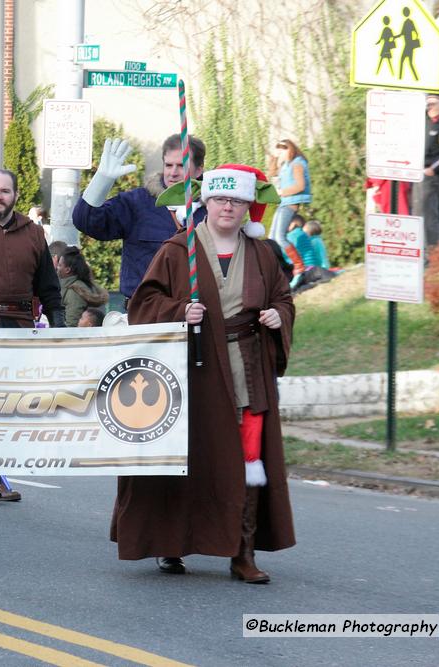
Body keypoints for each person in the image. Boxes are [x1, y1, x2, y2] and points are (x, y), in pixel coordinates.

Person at [118, 163, 296, 583]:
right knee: (188, 459)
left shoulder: (263, 254)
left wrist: (277, 315)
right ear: (206, 202)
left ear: (248, 205)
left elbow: (284, 299)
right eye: (220, 199)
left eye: (236, 201)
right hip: (192, 372)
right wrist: (179, 311)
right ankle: (171, 543)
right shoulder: (179, 250)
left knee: (249, 459)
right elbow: (142, 305)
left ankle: (243, 553)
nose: (228, 208)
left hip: (247, 371)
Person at [0, 168, 65, 503]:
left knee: (13, 406)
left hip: (19, 326)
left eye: (5, 191)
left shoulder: (33, 234)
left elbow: (49, 286)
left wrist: (60, 328)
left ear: (16, 195)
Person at [73, 133, 207, 312]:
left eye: (181, 166)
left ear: (199, 170)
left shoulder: (213, 208)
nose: (173, 173)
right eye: (168, 165)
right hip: (145, 315)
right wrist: (101, 181)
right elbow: (85, 220)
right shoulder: (137, 203)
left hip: (198, 315)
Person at [266, 139, 311, 249]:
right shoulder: (286, 165)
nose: (281, 153)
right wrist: (275, 157)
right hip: (284, 203)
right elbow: (272, 173)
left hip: (291, 204)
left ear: (290, 149)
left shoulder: (297, 164)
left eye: (283, 150)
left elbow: (301, 186)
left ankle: (298, 265)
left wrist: (281, 192)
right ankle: (277, 264)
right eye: (279, 151)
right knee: (272, 238)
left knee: (280, 238)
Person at [421, 94, 439, 247]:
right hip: (419, 173)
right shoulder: (423, 120)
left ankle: (437, 251)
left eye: (433, 103)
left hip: (437, 174)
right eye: (427, 103)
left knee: (432, 212)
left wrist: (433, 168)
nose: (429, 107)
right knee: (422, 212)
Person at [57, 246, 107, 327]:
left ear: (67, 270)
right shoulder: (76, 286)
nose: (57, 268)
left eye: (59, 265)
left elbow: (71, 324)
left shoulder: (74, 291)